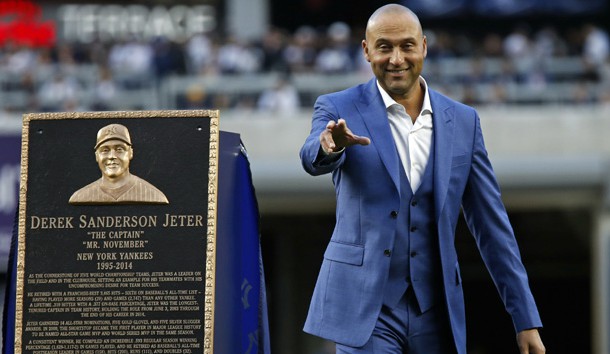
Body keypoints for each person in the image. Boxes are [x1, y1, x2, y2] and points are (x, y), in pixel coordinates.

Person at [299, 4, 545, 354]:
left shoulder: (463, 121)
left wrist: (525, 317)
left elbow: (493, 227)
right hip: (367, 311)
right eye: (384, 47)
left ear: (424, 47)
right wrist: (329, 146)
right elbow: (311, 156)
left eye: (407, 46)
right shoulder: (337, 107)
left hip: (436, 312)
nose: (397, 58)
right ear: (367, 50)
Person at [69, 124, 169, 205]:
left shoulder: (153, 195)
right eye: (105, 150)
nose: (112, 156)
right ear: (96, 156)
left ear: (130, 153)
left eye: (119, 149)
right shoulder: (80, 196)